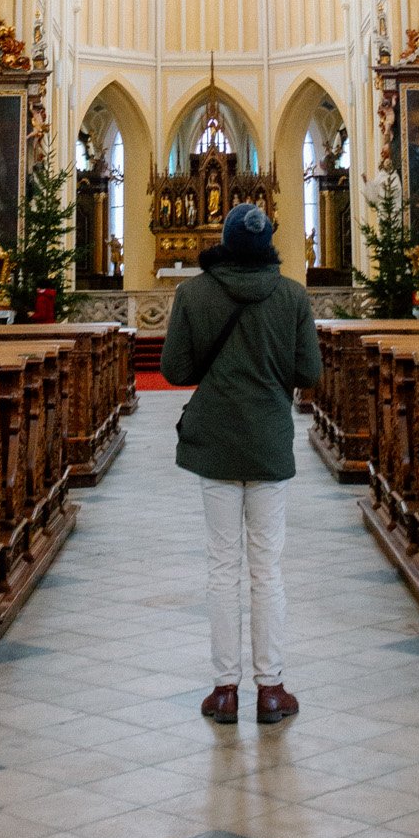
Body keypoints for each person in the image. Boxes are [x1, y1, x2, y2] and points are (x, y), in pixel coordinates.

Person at [160, 202, 321, 726]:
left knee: (222, 565)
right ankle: (271, 689)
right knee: (266, 568)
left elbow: (176, 369)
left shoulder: (193, 292)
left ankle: (224, 690)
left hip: (216, 442)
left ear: (226, 242)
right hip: (270, 440)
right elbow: (309, 372)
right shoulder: (293, 295)